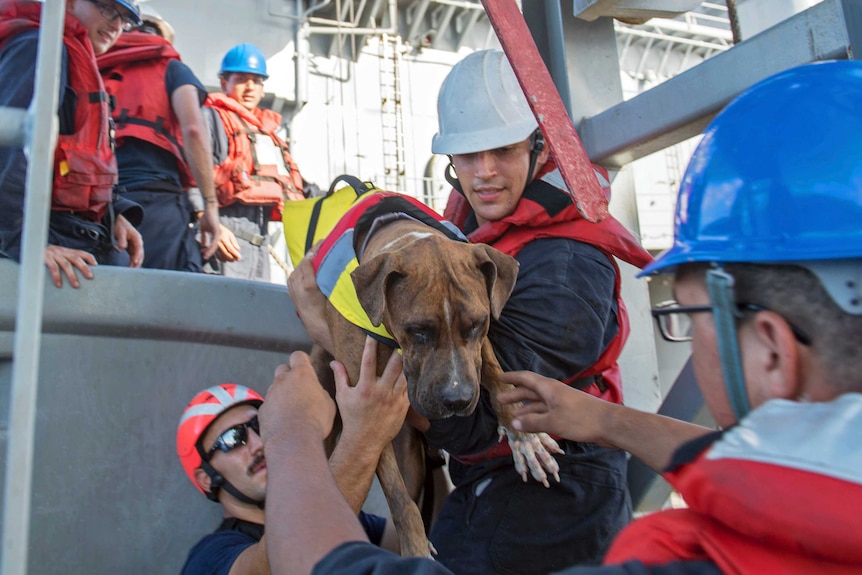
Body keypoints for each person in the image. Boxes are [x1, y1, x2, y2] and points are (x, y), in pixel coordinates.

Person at [260, 60, 862, 575]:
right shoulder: (469, 243)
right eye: (468, 155)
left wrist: (298, 421)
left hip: (548, 494)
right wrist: (608, 420)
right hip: (489, 488)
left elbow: (468, 415)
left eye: (693, 312)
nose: (485, 171)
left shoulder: (567, 262)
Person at [177, 336, 408, 575]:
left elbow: (423, 542)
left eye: (259, 425)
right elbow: (282, 565)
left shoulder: (349, 516)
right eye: (233, 439)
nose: (257, 444)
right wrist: (365, 436)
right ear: (207, 478)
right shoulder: (210, 557)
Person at [0, 0, 145, 288]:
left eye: (125, 19)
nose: (116, 25)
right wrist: (23, 242)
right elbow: (10, 148)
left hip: (76, 234)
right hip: (44, 240)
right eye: (108, 9)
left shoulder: (69, 52)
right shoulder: (37, 49)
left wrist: (113, 214)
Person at [97, 7, 220, 272]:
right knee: (172, 297)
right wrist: (210, 205)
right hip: (157, 202)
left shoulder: (94, 64)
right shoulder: (171, 67)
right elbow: (194, 130)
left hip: (101, 202)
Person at [200, 43, 306, 281]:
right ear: (224, 82)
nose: (249, 87)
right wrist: (208, 223)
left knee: (254, 311)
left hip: (259, 246)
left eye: (256, 81)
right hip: (224, 238)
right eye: (241, 79)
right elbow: (192, 173)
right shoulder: (212, 119)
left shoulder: (266, 134)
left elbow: (294, 184)